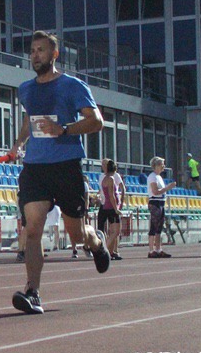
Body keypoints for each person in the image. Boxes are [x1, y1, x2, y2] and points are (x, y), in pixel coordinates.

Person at [9, 31, 110, 315]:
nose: (35, 55)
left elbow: (96, 121)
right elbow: (29, 120)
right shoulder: (25, 89)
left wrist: (64, 130)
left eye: (41, 50)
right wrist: (18, 143)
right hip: (35, 167)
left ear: (54, 55)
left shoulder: (72, 86)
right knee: (32, 228)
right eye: (32, 51)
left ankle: (96, 241)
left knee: (76, 235)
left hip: (66, 165)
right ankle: (33, 292)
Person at [146, 156, 175, 258]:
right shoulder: (152, 177)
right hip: (155, 202)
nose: (164, 166)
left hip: (161, 202)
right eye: (162, 164)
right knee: (154, 226)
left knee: (159, 227)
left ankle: (158, 249)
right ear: (157, 165)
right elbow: (155, 191)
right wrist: (167, 188)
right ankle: (151, 250)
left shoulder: (159, 177)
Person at [96, 159, 125, 260]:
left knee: (113, 231)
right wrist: (116, 208)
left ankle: (110, 251)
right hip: (111, 206)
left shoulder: (105, 178)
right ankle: (104, 250)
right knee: (116, 231)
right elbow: (111, 195)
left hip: (107, 206)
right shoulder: (110, 179)